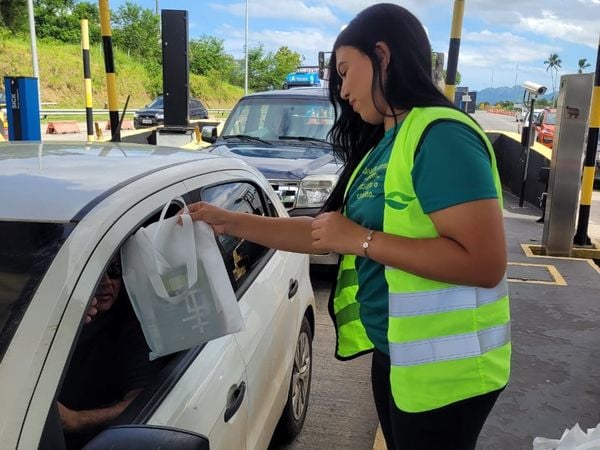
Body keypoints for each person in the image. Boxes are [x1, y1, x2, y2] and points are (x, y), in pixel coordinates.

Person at [184, 4, 510, 449]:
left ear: (382, 55)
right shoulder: (384, 144)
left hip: (448, 371)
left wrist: (362, 240)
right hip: (399, 353)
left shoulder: (442, 136)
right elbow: (324, 231)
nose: (341, 89)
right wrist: (229, 220)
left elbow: (484, 263)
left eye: (344, 71)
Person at [57, 257, 162, 449]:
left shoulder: (134, 328)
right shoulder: (50, 319)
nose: (106, 281)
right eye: (95, 272)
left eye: (114, 270)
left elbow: (141, 401)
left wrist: (76, 420)